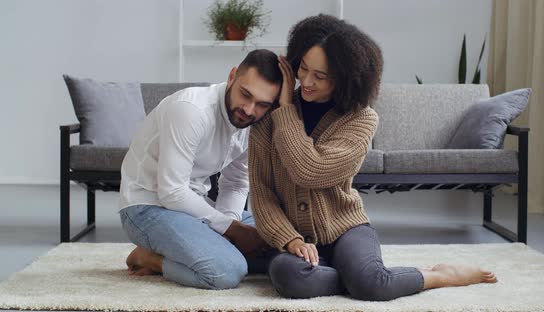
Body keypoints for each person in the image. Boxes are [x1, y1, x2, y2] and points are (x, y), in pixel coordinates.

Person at [248, 14, 497, 301]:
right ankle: (360, 277)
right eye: (303, 68)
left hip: (346, 229)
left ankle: (439, 275)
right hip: (294, 238)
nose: (305, 81)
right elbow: (262, 193)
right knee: (287, 276)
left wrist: (286, 111)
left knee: (369, 285)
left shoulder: (361, 120)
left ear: (344, 79)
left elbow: (309, 169)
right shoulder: (267, 117)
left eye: (320, 76)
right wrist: (289, 239)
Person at [118, 49, 282, 289]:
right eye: (245, 94)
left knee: (283, 238)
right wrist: (232, 230)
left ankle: (206, 250)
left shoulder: (253, 124)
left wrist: (229, 222)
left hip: (195, 208)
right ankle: (150, 258)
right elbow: (172, 191)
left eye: (262, 104)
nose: (248, 109)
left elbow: (236, 182)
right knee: (226, 271)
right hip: (147, 208)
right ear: (232, 76)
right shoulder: (191, 110)